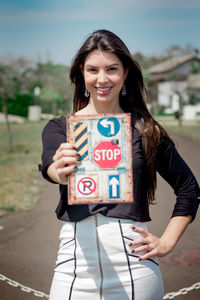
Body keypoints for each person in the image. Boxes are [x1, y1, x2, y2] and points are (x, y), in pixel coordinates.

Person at [39, 29, 200, 300]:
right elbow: (51, 169)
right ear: (81, 72)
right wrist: (60, 170)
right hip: (73, 267)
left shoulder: (146, 130)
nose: (102, 79)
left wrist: (167, 242)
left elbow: (189, 187)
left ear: (125, 72)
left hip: (134, 268)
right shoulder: (60, 127)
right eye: (93, 70)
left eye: (111, 69)